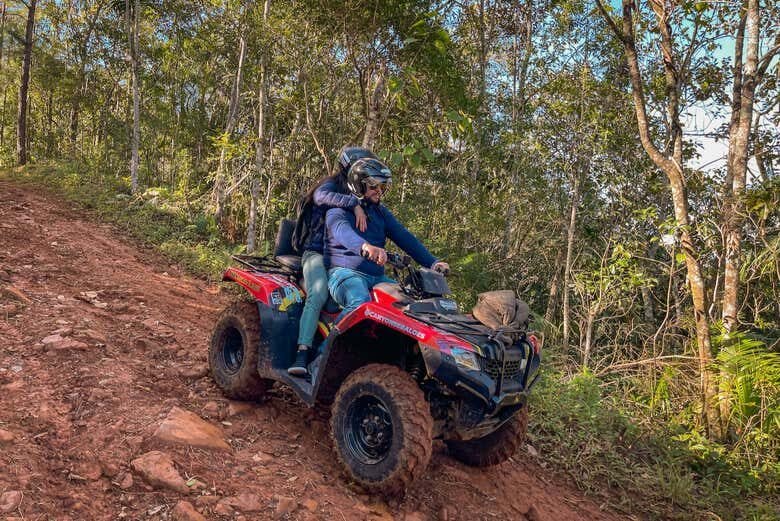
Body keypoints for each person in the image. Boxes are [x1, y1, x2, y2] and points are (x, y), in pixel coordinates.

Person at [324, 156, 449, 323]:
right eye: (374, 186)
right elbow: (342, 232)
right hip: (344, 273)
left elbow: (405, 238)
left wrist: (433, 263)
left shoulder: (380, 213)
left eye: (383, 186)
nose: (379, 191)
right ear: (358, 184)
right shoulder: (338, 209)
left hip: (377, 277)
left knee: (410, 305)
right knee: (359, 302)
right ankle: (325, 348)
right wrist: (364, 246)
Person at [287, 147, 375, 377]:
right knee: (319, 291)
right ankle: (302, 352)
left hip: (340, 259)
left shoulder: (362, 195)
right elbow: (320, 197)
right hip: (314, 253)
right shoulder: (330, 187)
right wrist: (353, 204)